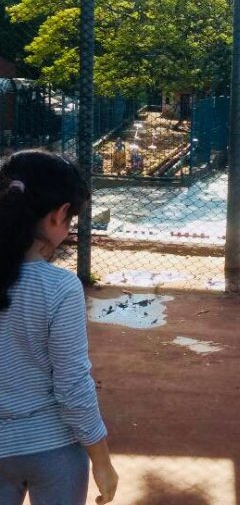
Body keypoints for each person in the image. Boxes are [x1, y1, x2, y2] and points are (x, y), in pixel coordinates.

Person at [0, 150, 118, 504]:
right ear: (59, 214)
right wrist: (101, 459)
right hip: (53, 449)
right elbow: (72, 385)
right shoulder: (59, 288)